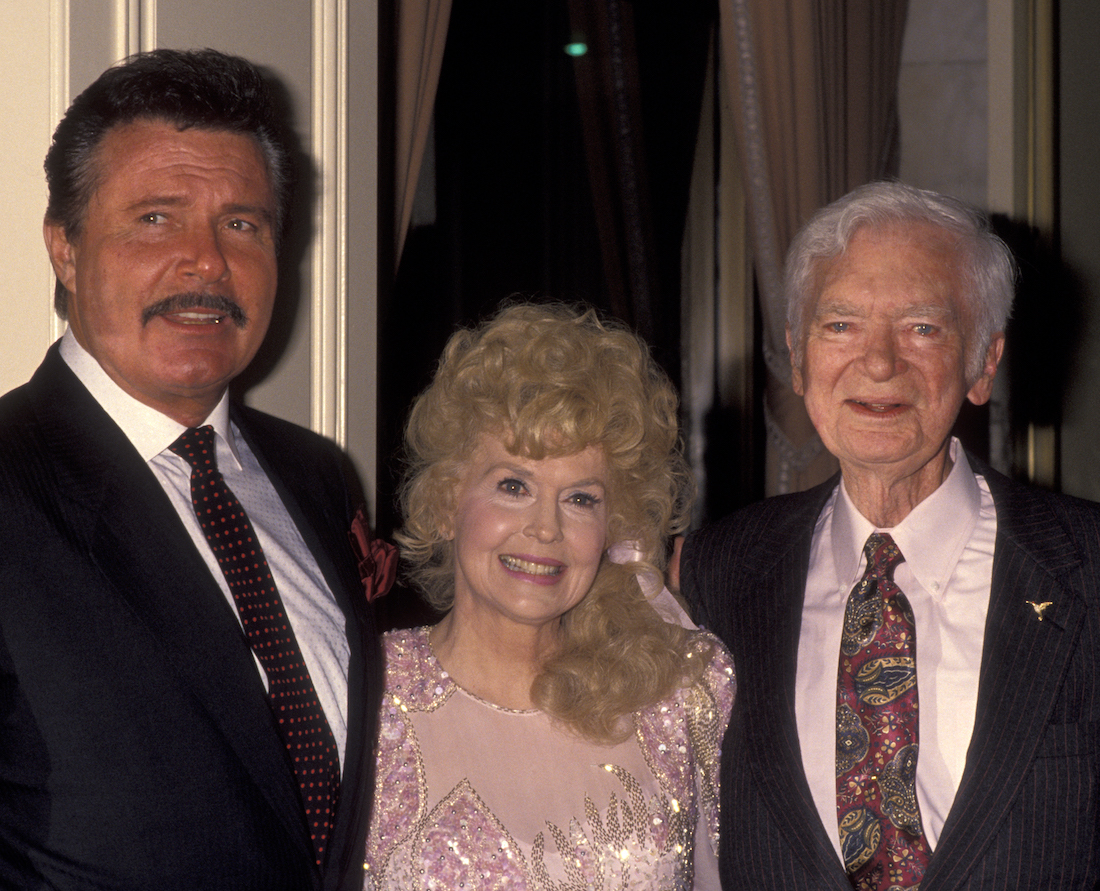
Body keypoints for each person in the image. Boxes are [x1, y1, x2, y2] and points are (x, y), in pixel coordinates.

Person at [0, 49, 382, 890]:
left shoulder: (318, 477)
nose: (207, 262)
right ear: (64, 248)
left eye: (243, 223)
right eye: (155, 219)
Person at [681, 180, 1100, 890]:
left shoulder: (1087, 569)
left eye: (922, 327)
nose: (878, 363)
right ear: (799, 357)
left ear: (983, 364)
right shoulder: (716, 574)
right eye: (840, 324)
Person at [364, 303, 735, 890]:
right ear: (444, 504)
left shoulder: (680, 697)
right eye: (513, 486)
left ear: (615, 524)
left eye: (581, 498)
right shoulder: (365, 697)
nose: (546, 528)